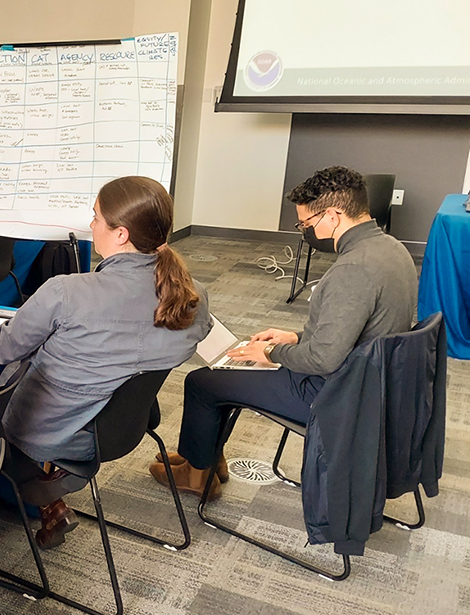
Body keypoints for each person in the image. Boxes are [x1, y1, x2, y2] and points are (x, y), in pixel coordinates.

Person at [0, 176, 211, 548]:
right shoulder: (193, 297)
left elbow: (3, 347)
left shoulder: (68, 292)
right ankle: (50, 499)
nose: (91, 226)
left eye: (96, 218)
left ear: (120, 235)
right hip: (120, 429)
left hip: (55, 430)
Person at [155, 166, 418, 499]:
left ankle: (196, 474)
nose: (304, 232)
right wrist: (295, 337)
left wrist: (268, 354)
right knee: (226, 374)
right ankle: (205, 457)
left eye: (306, 224)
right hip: (369, 381)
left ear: (333, 216)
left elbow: (323, 358)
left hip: (336, 394)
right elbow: (358, 328)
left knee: (203, 381)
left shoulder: (352, 269)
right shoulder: (392, 249)